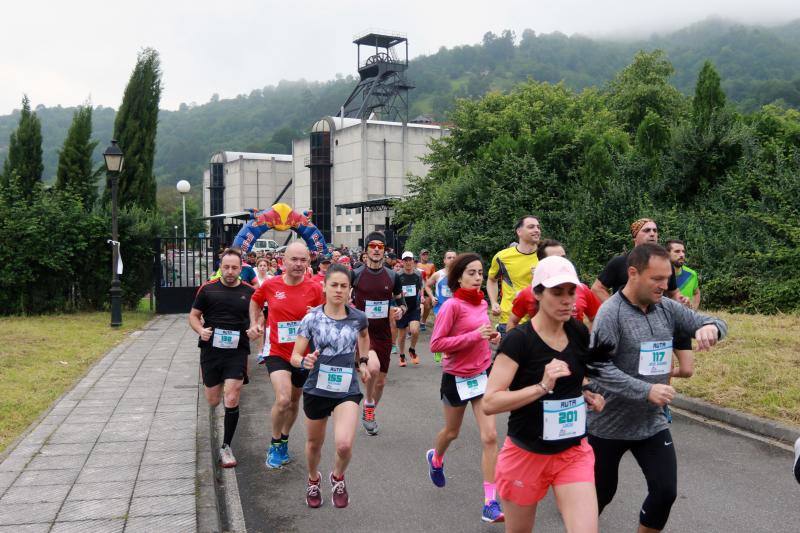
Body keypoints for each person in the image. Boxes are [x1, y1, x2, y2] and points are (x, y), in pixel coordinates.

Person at [585, 244, 728, 533]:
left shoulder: (666, 308)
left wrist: (710, 327)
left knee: (665, 492)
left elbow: (715, 322)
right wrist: (645, 390)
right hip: (608, 425)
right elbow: (598, 368)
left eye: (667, 278)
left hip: (651, 422)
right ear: (633, 273)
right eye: (657, 279)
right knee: (600, 495)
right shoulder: (610, 314)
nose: (666, 285)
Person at [483, 256, 607, 533]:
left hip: (572, 451)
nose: (567, 300)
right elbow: (490, 402)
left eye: (571, 292)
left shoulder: (577, 332)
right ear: (538, 294)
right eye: (557, 292)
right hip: (526, 453)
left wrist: (588, 392)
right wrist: (542, 386)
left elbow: (579, 375)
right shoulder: (519, 340)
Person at [290, 263, 377, 508]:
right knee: (314, 444)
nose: (339, 290)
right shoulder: (312, 318)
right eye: (334, 285)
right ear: (324, 287)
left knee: (344, 443)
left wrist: (362, 361)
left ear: (350, 289)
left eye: (344, 286)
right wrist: (303, 360)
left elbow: (364, 337)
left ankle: (337, 477)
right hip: (316, 387)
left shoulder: (358, 317)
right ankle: (313, 479)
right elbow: (294, 355)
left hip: (346, 389)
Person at [426, 253, 504, 523]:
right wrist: (473, 336)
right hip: (456, 378)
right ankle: (436, 459)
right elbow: (436, 344)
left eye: (480, 273)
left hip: (481, 374)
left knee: (490, 437)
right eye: (471, 273)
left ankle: (490, 502)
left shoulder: (481, 303)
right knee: (452, 431)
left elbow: (482, 335)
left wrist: (492, 337)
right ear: (458, 277)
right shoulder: (452, 306)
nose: (478, 278)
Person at [248, 242, 324, 468]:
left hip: (302, 355)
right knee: (282, 399)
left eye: (303, 260)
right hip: (277, 352)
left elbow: (327, 316)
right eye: (294, 259)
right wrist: (254, 323)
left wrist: (318, 315)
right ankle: (274, 442)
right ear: (283, 261)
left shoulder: (315, 289)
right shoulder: (271, 285)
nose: (299, 264)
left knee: (293, 402)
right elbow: (255, 301)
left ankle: (284, 440)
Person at [189, 248, 256, 468]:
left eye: (234, 267)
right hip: (212, 350)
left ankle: (226, 447)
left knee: (232, 396)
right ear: (220, 267)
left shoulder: (249, 291)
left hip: (237, 350)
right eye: (225, 267)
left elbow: (259, 316)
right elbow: (194, 316)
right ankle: (213, 387)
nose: (229, 271)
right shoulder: (207, 290)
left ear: (241, 268)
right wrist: (200, 330)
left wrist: (256, 328)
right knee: (213, 399)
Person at [351, 231, 405, 436]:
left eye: (380, 246)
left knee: (380, 381)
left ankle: (369, 407)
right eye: (372, 246)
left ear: (384, 251)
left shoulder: (392, 276)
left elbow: (401, 302)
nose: (376, 249)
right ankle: (369, 402)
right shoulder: (355, 274)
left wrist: (401, 310)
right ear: (366, 251)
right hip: (362, 333)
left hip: (383, 334)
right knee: (372, 368)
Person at [507, 240, 601, 332]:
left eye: (563, 257)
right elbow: (512, 321)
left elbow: (597, 317)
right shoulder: (529, 292)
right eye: (555, 258)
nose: (562, 261)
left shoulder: (581, 288)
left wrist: (588, 342)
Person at [488, 215, 542, 337]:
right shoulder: (502, 257)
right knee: (508, 356)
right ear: (519, 232)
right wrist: (493, 302)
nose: (537, 230)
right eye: (531, 227)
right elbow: (492, 280)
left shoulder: (546, 255)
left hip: (539, 320)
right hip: (510, 319)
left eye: (538, 227)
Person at [425, 250, 457, 363]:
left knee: (452, 330)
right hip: (440, 307)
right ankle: (442, 351)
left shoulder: (460, 274)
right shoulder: (438, 274)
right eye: (449, 257)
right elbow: (427, 286)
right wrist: (432, 297)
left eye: (454, 257)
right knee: (444, 329)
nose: (452, 259)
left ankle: (445, 350)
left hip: (454, 308)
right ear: (444, 260)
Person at [397, 251, 424, 366]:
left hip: (414, 307)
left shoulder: (418, 274)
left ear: (413, 261)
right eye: (405, 260)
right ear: (402, 262)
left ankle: (412, 349)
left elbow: (421, 286)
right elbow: (394, 292)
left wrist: (422, 297)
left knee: (415, 330)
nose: (408, 262)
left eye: (410, 260)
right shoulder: (398, 275)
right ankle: (402, 356)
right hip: (402, 308)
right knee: (402, 336)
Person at [666, 239, 700, 309]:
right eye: (677, 251)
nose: (682, 255)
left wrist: (693, 311)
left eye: (683, 251)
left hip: (686, 318)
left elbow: (696, 293)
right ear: (667, 254)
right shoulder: (659, 274)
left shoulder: (692, 274)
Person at [416, 249, 437, 330]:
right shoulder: (417, 264)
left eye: (426, 254)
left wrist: (432, 283)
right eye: (423, 254)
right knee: (417, 306)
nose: (425, 256)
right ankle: (414, 321)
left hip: (427, 288)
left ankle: (423, 322)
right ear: (420, 255)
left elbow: (433, 276)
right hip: (417, 288)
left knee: (427, 306)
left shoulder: (431, 265)